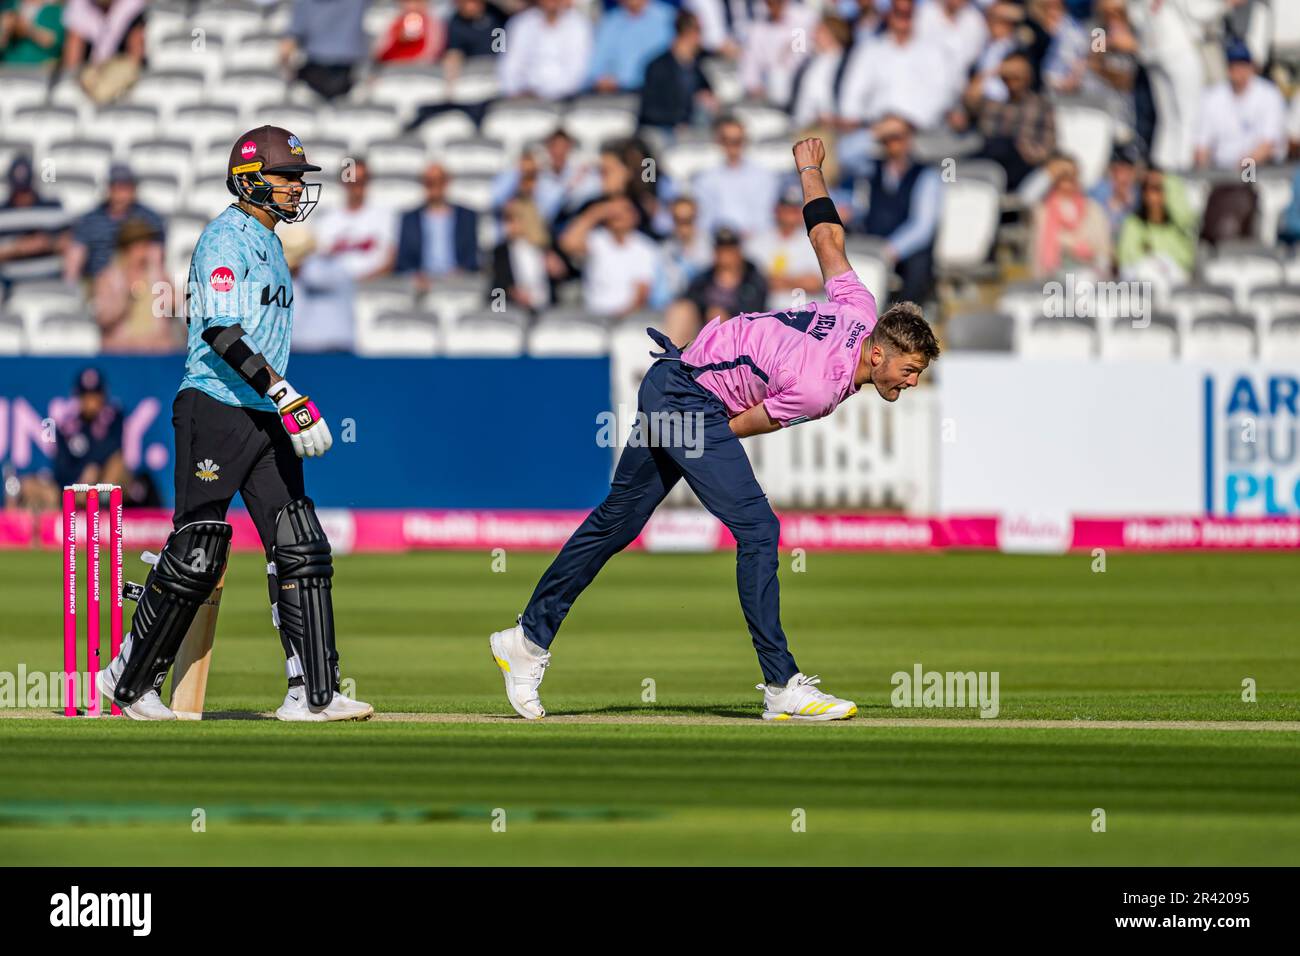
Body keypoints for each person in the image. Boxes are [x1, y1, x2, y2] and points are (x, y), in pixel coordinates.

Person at [489, 136, 939, 722]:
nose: (908, 385)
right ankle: (781, 687)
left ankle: (525, 641)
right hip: (688, 398)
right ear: (878, 355)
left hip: (671, 384)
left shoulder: (859, 307)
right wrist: (689, 438)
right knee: (757, 526)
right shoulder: (820, 386)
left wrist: (808, 169)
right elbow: (739, 423)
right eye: (907, 372)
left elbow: (827, 236)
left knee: (615, 521)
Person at [97, 125, 372, 723]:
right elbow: (222, 333)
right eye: (287, 178)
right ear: (250, 180)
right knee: (199, 548)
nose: (298, 190)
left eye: (300, 179)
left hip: (265, 412)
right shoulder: (226, 239)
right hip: (216, 405)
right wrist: (284, 391)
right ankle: (128, 681)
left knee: (299, 544)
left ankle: (312, 692)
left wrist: (278, 399)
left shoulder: (272, 243)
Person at [856, 114, 940, 305]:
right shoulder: (870, 169)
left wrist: (890, 250)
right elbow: (843, 154)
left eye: (898, 136)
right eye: (888, 138)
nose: (893, 143)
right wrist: (875, 132)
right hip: (873, 241)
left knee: (919, 263)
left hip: (904, 253)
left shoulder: (927, 176)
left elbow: (922, 228)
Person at [559, 194, 659, 320]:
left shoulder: (645, 248)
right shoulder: (596, 240)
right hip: (593, 316)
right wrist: (597, 212)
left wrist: (622, 317)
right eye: (614, 212)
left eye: (624, 210)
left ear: (635, 215)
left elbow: (642, 291)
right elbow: (567, 244)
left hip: (629, 319)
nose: (618, 215)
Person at [63, 163, 165, 282]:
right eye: (115, 187)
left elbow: (155, 257)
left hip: (137, 281)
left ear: (134, 189)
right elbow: (76, 255)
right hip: (95, 281)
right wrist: (70, 283)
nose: (120, 193)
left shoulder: (149, 219)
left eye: (125, 187)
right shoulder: (90, 220)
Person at [91, 217, 178, 352]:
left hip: (156, 349)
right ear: (126, 249)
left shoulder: (158, 274)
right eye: (139, 245)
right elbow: (104, 319)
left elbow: (175, 307)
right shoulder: (108, 278)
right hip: (121, 350)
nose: (144, 251)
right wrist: (127, 296)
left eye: (146, 244)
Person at [395, 163, 479, 291]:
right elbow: (403, 260)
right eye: (429, 182)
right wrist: (416, 275)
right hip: (422, 285)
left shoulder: (466, 217)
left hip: (458, 284)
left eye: (439, 181)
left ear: (446, 182)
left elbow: (472, 256)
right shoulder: (410, 218)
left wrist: (460, 272)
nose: (434, 186)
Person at [692, 116, 779, 239]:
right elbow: (704, 220)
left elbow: (764, 218)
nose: (732, 146)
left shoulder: (764, 177)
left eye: (737, 141)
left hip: (756, 241)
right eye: (727, 140)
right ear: (719, 142)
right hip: (718, 243)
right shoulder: (705, 179)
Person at [1031, 154, 1112, 280]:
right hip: (1052, 279)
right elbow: (1025, 198)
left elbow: (1103, 250)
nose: (1067, 177)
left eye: (1072, 173)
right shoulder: (1042, 210)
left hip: (1089, 276)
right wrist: (1047, 173)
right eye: (1062, 173)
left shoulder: (1093, 209)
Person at [639, 11, 716, 136]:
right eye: (698, 31)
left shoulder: (698, 65)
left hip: (692, 131)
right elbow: (649, 110)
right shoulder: (657, 67)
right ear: (689, 33)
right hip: (663, 131)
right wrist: (676, 122)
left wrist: (708, 99)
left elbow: (707, 94)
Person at [1116, 167, 1198, 285]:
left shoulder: (1180, 226)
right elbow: (1126, 263)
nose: (1154, 195)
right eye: (1150, 189)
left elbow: (1185, 262)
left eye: (1160, 189)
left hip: (1174, 285)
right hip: (1142, 287)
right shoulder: (1133, 224)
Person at [498, 0, 592, 101]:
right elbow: (509, 66)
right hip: (525, 98)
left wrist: (544, 94)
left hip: (565, 99)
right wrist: (516, 91)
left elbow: (577, 73)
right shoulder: (521, 23)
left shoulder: (579, 25)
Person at [0, 154, 67, 289]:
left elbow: (71, 242)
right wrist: (18, 248)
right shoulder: (2, 212)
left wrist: (48, 243)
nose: (22, 198)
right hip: (10, 285)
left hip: (51, 281)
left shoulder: (52, 207)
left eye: (25, 192)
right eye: (18, 192)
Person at [746, 185, 824, 301]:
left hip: (804, 311)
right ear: (777, 210)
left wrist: (779, 281)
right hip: (765, 311)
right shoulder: (758, 241)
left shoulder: (813, 242)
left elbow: (816, 284)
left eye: (794, 210)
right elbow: (749, 280)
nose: (789, 215)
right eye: (785, 209)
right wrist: (798, 281)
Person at [281, 0, 367, 101]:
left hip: (316, 72)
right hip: (348, 73)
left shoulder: (303, 3)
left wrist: (288, 74)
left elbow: (287, 47)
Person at [588, 0, 675, 94]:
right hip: (619, 96)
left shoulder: (668, 18)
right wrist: (602, 80)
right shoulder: (609, 22)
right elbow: (595, 70)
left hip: (659, 93)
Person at [687, 227, 769, 322]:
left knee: (718, 317)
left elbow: (755, 312)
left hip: (739, 330)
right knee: (683, 310)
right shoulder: (703, 279)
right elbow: (691, 300)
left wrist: (726, 316)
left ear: (738, 252)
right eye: (721, 250)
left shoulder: (753, 280)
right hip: (702, 328)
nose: (725, 256)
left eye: (729, 250)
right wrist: (706, 311)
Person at [0, 0, 65, 66]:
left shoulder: (55, 9)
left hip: (40, 69)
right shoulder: (9, 5)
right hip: (9, 67)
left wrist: (27, 28)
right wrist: (4, 30)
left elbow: (55, 42)